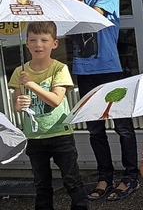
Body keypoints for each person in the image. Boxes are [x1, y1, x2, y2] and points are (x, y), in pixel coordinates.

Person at [63, 0, 140, 201]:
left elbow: (92, 19)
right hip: (83, 70)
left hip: (109, 68)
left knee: (122, 126)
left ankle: (130, 175)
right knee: (95, 129)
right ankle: (104, 176)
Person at [8, 21, 88, 210]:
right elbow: (17, 106)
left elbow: (55, 100)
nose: (38, 44)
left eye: (44, 40)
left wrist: (31, 85)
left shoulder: (59, 69)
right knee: (41, 183)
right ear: (26, 43)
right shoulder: (19, 71)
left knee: (71, 180)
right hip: (34, 137)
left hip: (60, 134)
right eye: (33, 40)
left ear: (54, 43)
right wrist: (19, 104)